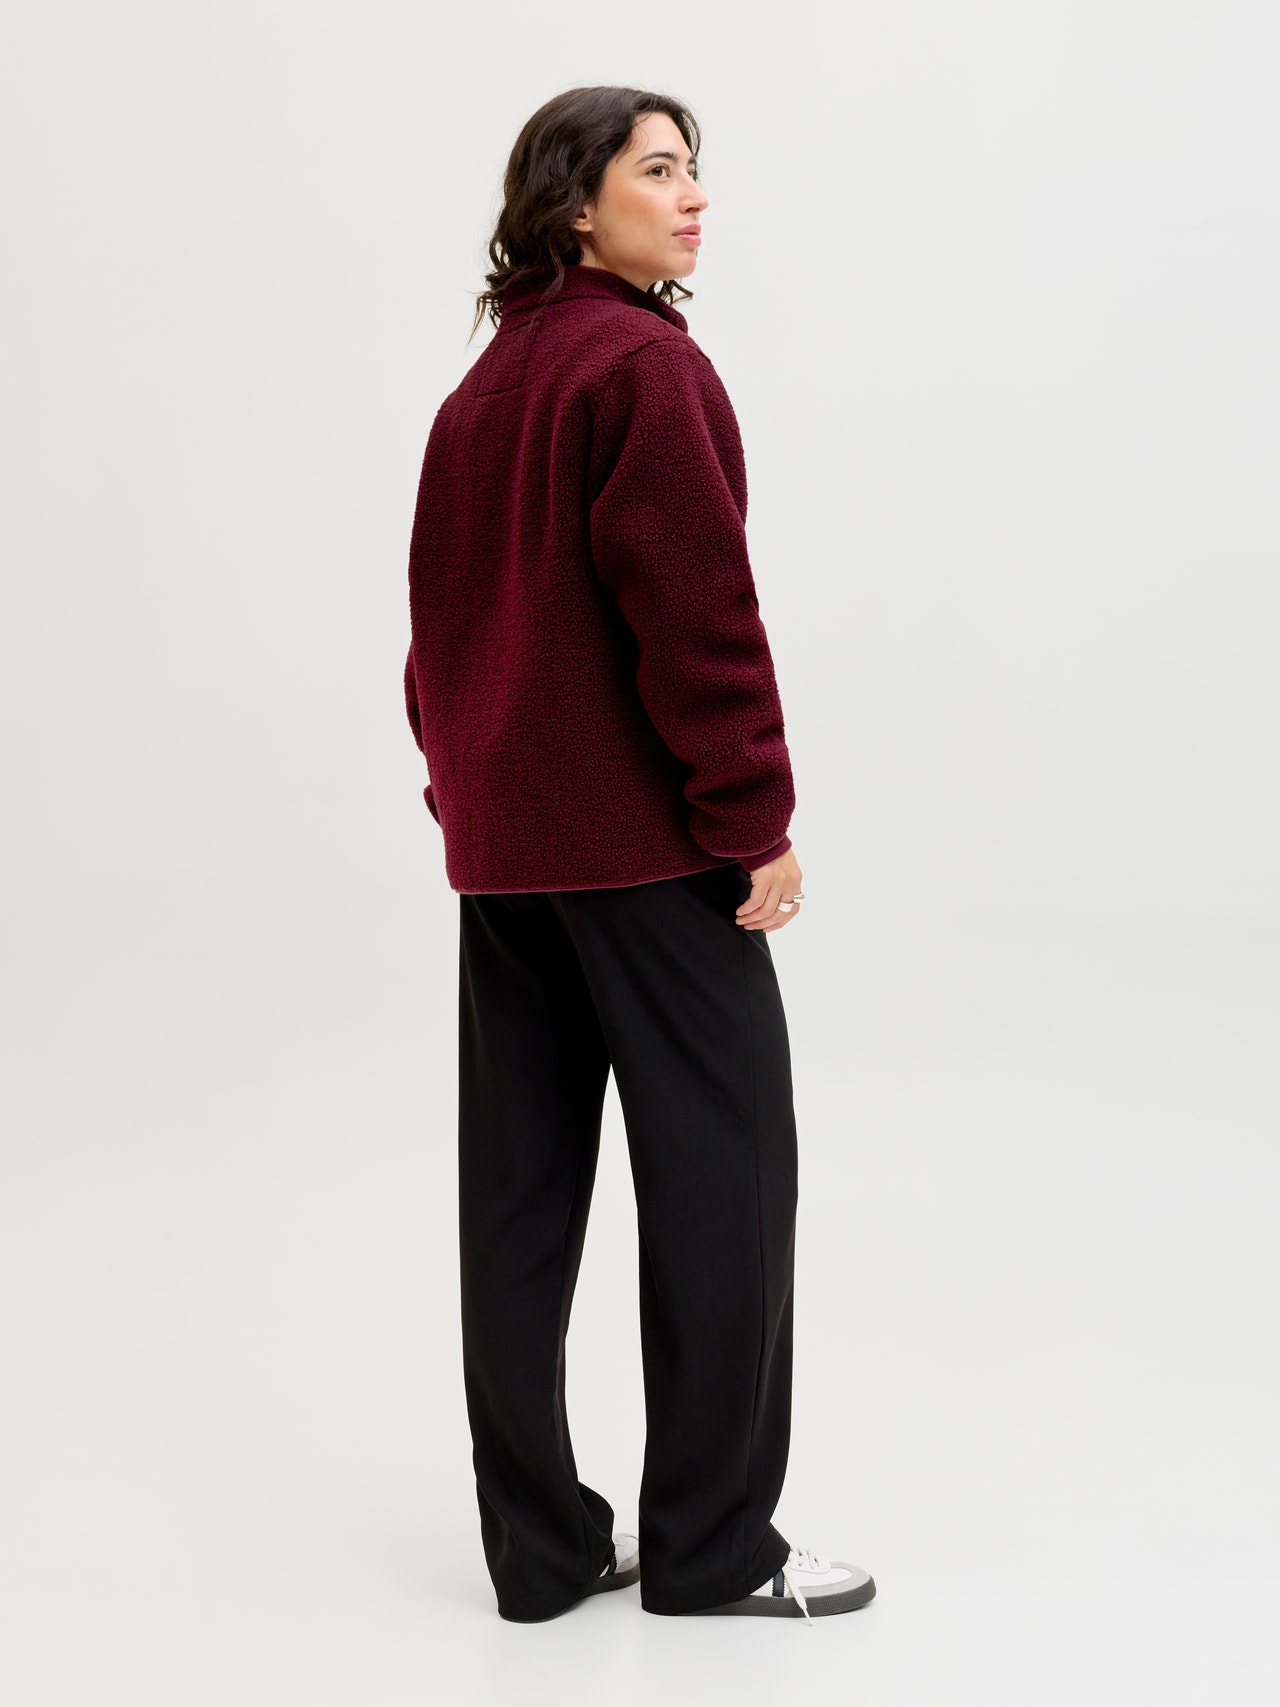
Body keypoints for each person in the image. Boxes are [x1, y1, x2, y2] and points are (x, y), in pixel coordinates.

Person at [403, 84, 876, 1626]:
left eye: (695, 171)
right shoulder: (642, 369)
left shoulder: (483, 392)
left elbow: (435, 638)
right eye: (659, 170)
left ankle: (541, 1554)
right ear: (573, 203)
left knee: (517, 1202)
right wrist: (753, 820)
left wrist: (467, 801)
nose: (694, 198)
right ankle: (714, 1547)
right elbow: (698, 617)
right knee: (727, 1177)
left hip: (508, 862)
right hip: (647, 853)